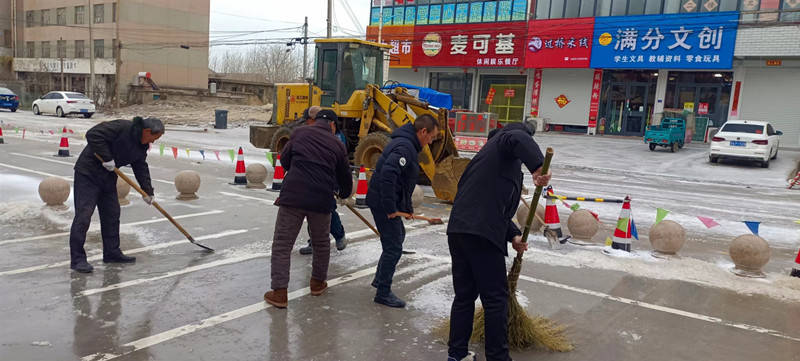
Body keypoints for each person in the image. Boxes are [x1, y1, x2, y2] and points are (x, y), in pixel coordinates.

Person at [445, 122, 551, 361]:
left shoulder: (486, 161)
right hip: (480, 235)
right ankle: (498, 357)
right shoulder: (507, 141)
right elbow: (515, 137)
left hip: (461, 231)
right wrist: (537, 166)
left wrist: (513, 235)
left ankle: (457, 354)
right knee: (495, 300)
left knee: (464, 296)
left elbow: (493, 206)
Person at [264, 109, 353, 308]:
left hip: (293, 197)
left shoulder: (299, 133)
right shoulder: (337, 145)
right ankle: (317, 284)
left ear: (315, 121)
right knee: (321, 244)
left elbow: (285, 161)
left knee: (282, 245)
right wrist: (344, 193)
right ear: (332, 125)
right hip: (321, 201)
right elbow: (345, 177)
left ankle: (279, 293)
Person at [69, 116, 164, 273]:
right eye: (155, 137)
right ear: (147, 131)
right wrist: (107, 157)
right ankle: (78, 259)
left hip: (108, 177)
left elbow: (140, 166)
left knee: (112, 214)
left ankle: (112, 252)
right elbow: (93, 134)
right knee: (84, 216)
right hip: (88, 174)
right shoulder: (122, 127)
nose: (153, 142)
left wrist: (148, 191)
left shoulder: (142, 146)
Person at [366, 114, 439, 308]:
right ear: (423, 131)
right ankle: (383, 292)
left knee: (397, 237)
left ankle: (379, 278)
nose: (430, 141)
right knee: (394, 247)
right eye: (431, 137)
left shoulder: (406, 143)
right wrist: (391, 208)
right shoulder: (405, 147)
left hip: (382, 200)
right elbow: (389, 175)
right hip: (382, 203)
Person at [299, 115, 348, 254]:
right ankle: (315, 242)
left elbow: (341, 166)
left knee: (327, 211)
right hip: (314, 182)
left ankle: (338, 236)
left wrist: (342, 189)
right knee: (315, 212)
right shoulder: (313, 135)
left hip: (328, 182)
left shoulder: (336, 138)